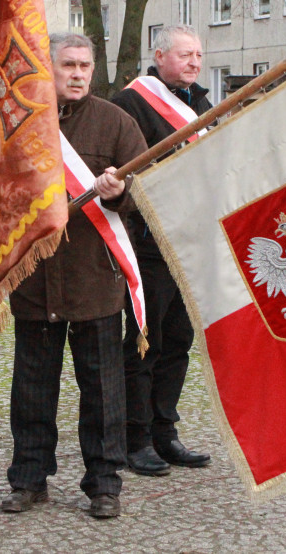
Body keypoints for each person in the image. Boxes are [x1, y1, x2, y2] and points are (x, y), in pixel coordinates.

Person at [0, 33, 147, 519]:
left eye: (85, 65)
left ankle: (104, 484)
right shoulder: (18, 123)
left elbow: (145, 195)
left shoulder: (116, 122)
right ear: (49, 67)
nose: (79, 73)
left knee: (104, 392)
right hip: (36, 281)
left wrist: (116, 192)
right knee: (32, 389)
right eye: (69, 64)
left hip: (94, 280)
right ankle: (28, 479)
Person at [110, 24, 212, 476]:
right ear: (160, 55)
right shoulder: (131, 104)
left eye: (199, 56)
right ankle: (135, 437)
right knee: (143, 345)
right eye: (186, 55)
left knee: (178, 342)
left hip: (190, 242)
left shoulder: (203, 103)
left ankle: (164, 431)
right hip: (149, 242)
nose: (194, 62)